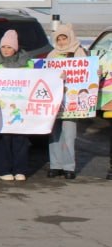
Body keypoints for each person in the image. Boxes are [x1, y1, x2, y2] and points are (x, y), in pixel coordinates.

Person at [0, 30, 33, 182]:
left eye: (9, 47)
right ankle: (4, 170)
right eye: (3, 47)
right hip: (1, 109)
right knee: (3, 139)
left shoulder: (28, 64)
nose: (6, 50)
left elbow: (39, 78)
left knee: (20, 139)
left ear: (15, 48)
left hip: (21, 108)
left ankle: (20, 169)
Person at [46, 24, 86, 180]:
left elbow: (86, 72)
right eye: (59, 39)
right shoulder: (52, 54)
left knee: (69, 134)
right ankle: (55, 165)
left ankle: (69, 167)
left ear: (70, 38)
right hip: (55, 101)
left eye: (65, 38)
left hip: (71, 101)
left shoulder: (79, 52)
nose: (62, 42)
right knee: (54, 134)